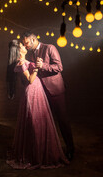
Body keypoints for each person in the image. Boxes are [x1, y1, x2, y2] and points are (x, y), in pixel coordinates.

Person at [6, 40, 69, 169]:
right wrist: (36, 68)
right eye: (22, 46)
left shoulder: (26, 59)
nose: (25, 46)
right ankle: (36, 153)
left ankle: (40, 150)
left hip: (37, 91)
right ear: (19, 50)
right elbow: (30, 80)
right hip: (32, 92)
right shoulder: (21, 63)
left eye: (25, 44)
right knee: (35, 122)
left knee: (39, 121)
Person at [21, 31, 74, 161]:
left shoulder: (50, 48)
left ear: (33, 40)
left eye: (27, 43)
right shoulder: (31, 53)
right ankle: (47, 150)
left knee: (62, 120)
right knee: (45, 122)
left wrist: (43, 65)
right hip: (41, 93)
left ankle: (71, 149)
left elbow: (59, 67)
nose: (26, 46)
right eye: (24, 44)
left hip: (56, 90)